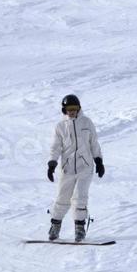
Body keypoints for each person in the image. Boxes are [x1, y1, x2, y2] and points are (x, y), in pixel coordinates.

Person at [46, 94, 105, 242]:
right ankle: (55, 226)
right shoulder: (60, 127)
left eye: (75, 108)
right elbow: (55, 147)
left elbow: (94, 143)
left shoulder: (87, 122)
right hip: (67, 169)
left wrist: (99, 161)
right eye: (69, 109)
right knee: (62, 198)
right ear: (64, 110)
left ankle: (79, 228)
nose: (72, 111)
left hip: (85, 168)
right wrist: (52, 163)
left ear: (79, 109)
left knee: (80, 198)